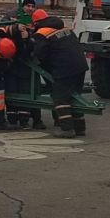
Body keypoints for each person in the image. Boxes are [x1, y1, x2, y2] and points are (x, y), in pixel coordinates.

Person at [31, 9, 88, 138]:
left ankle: (67, 129)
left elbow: (40, 54)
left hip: (64, 68)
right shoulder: (63, 27)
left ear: (36, 23)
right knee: (75, 96)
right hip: (80, 65)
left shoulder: (41, 33)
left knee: (60, 98)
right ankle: (80, 128)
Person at [4, 23, 46, 130]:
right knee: (12, 95)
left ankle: (24, 121)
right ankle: (12, 120)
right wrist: (16, 29)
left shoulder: (30, 37)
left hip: (24, 71)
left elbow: (27, 52)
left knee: (25, 96)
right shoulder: (10, 33)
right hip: (13, 71)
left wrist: (26, 39)